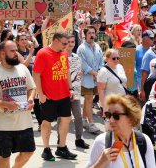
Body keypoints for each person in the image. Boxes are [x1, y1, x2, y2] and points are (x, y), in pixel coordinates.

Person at [0, 40, 36, 168]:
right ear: (1, 53)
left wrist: (31, 99)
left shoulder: (22, 68)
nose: (16, 53)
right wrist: (5, 104)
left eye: (16, 50)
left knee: (29, 151)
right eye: (12, 51)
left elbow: (31, 88)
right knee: (5, 155)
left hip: (24, 121)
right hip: (2, 123)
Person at [32, 32, 77, 161]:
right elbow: (36, 74)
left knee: (66, 120)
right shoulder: (43, 53)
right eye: (64, 43)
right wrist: (40, 94)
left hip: (63, 94)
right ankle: (46, 149)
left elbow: (67, 71)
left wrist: (70, 88)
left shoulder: (63, 52)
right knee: (47, 123)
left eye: (67, 43)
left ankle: (61, 148)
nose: (66, 46)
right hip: (48, 96)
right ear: (55, 40)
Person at [86, 94, 156, 168]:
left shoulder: (144, 140)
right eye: (109, 115)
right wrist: (100, 162)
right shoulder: (102, 141)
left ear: (131, 117)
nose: (111, 120)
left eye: (116, 116)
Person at [57, 35, 89, 149]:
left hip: (75, 91)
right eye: (68, 42)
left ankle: (79, 139)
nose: (71, 44)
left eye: (72, 42)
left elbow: (80, 72)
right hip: (62, 91)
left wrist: (80, 74)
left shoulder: (77, 57)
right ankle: (60, 139)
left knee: (78, 116)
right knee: (61, 117)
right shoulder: (59, 56)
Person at [77, 26, 104, 134]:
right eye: (89, 33)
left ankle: (83, 120)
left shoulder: (98, 46)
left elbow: (101, 61)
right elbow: (83, 64)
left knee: (90, 99)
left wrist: (99, 72)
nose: (92, 35)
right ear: (85, 35)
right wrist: (94, 73)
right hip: (86, 78)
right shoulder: (81, 48)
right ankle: (91, 123)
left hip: (96, 78)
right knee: (88, 100)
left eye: (93, 33)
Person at [97, 49, 127, 115]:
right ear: (107, 59)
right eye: (113, 58)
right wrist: (104, 108)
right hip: (110, 104)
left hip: (122, 102)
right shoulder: (103, 71)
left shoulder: (120, 67)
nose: (116, 60)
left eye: (118, 58)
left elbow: (124, 83)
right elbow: (101, 91)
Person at [135, 30, 154, 100]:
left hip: (150, 84)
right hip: (139, 83)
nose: (153, 40)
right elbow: (133, 69)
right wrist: (138, 88)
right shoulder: (136, 50)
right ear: (144, 38)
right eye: (151, 38)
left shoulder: (153, 50)